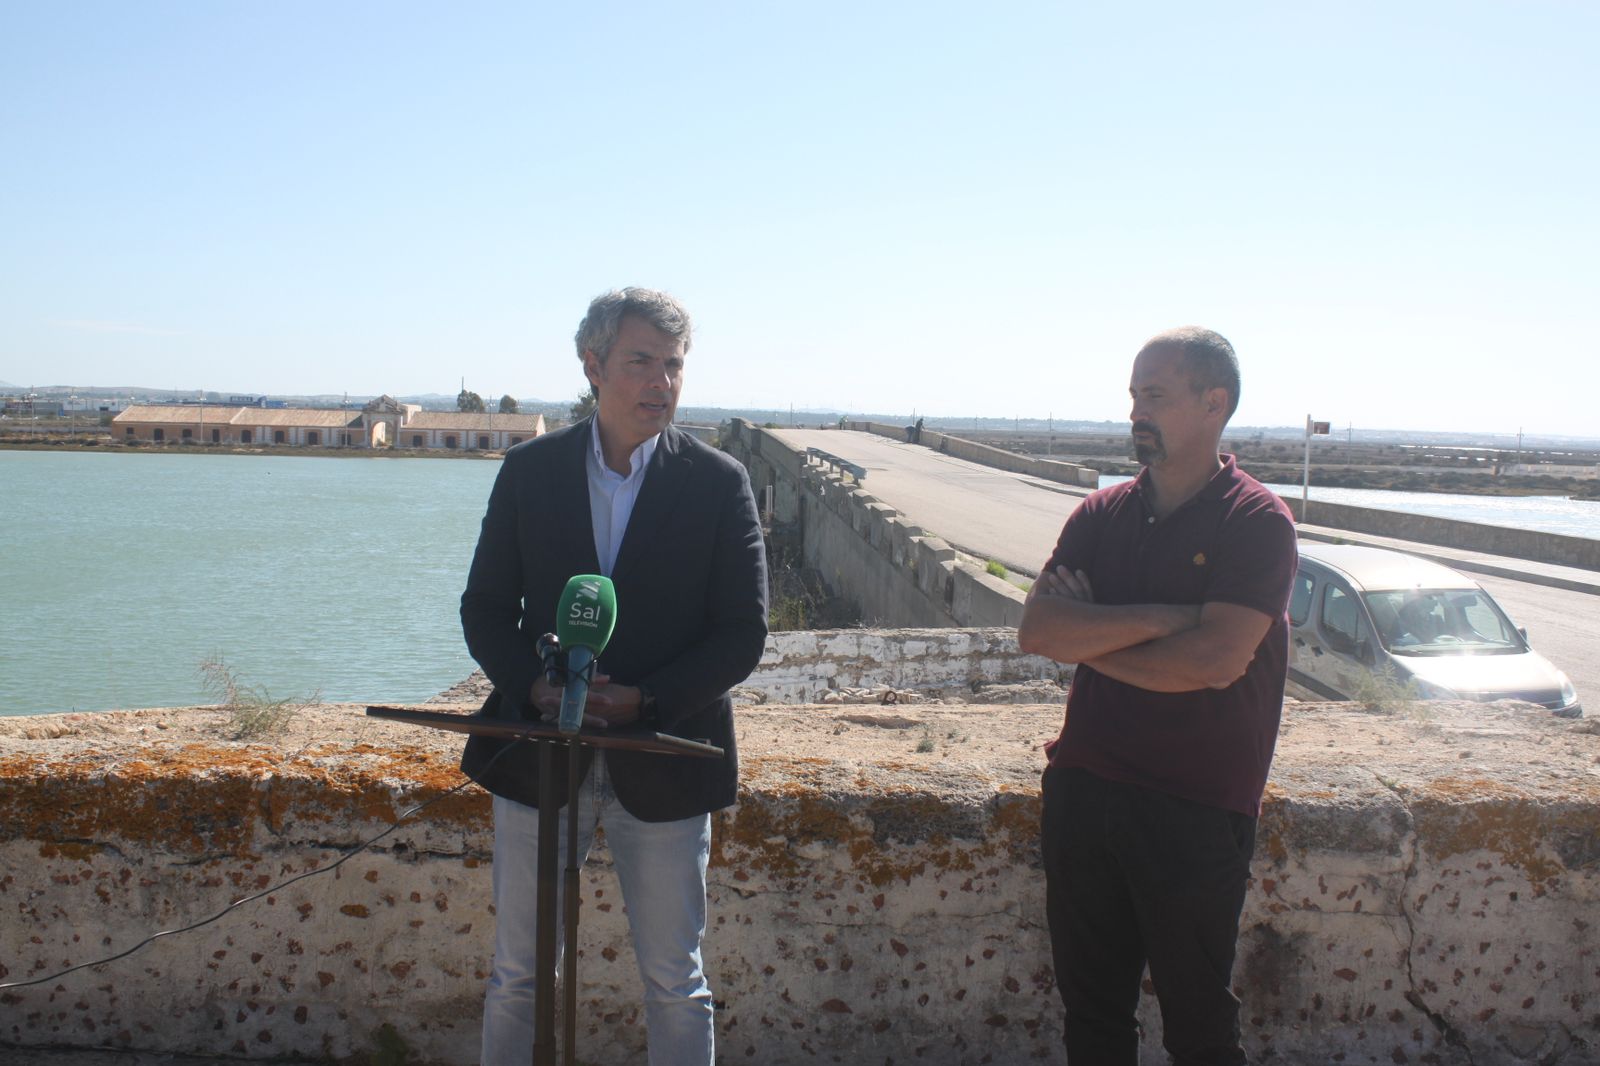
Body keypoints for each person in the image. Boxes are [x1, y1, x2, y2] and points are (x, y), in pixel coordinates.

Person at [458, 287, 769, 1065]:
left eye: (674, 365)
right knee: (520, 973)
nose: (661, 381)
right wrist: (533, 686)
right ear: (593, 366)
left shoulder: (718, 481)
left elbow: (743, 633)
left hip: (665, 756)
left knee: (675, 980)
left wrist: (648, 699)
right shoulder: (529, 471)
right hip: (539, 755)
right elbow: (485, 608)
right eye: (641, 362)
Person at [1017, 327, 1297, 1066]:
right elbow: (1039, 630)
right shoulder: (1100, 514)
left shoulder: (1255, 521)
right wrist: (1170, 619)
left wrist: (1093, 636)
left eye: (1155, 396)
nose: (1136, 412)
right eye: (1134, 396)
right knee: (1093, 1020)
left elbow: (1214, 661)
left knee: (1200, 1029)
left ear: (1214, 403)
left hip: (1195, 805)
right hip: (1085, 791)